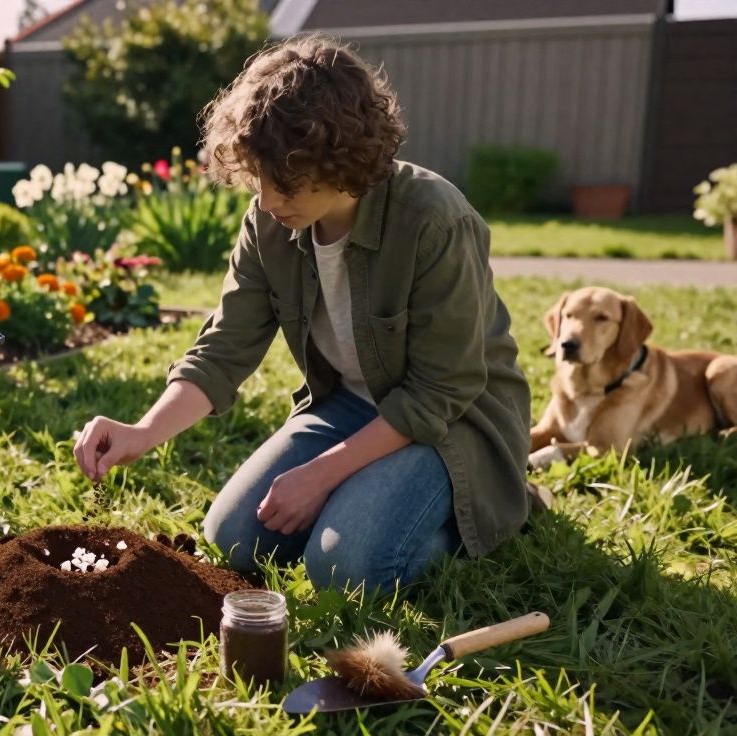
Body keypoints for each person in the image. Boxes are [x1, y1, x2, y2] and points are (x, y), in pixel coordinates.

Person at [72, 34, 531, 593]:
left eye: (285, 183)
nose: (267, 201)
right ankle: (366, 503)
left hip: (454, 426)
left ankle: (481, 512)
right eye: (259, 178)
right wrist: (144, 431)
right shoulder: (269, 222)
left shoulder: (434, 221)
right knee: (232, 539)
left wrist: (321, 475)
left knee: (343, 568)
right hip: (350, 407)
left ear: (340, 159)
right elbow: (225, 346)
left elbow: (442, 390)